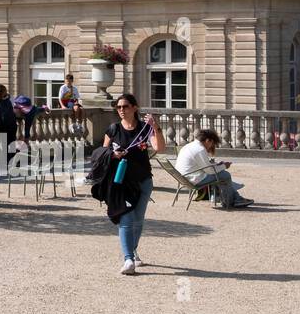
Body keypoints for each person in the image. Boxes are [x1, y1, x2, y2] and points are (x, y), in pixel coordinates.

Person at [102, 92, 165, 276]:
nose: (121, 110)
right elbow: (102, 154)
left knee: (138, 220)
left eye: (125, 106)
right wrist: (113, 155)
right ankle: (128, 259)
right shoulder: (113, 129)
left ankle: (133, 250)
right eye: (119, 107)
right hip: (121, 182)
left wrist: (156, 128)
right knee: (126, 220)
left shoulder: (145, 128)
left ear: (134, 108)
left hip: (143, 180)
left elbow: (159, 148)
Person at [175, 130, 252, 208]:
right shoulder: (200, 149)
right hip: (194, 179)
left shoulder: (189, 146)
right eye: (212, 143)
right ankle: (230, 201)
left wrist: (217, 165)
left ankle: (234, 198)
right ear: (208, 140)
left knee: (219, 174)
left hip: (184, 177)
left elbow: (203, 166)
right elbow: (210, 171)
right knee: (225, 175)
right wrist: (224, 166)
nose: (211, 146)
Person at [0, 84, 17, 160]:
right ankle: (12, 161)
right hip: (11, 125)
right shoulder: (11, 99)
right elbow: (15, 111)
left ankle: (4, 162)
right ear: (5, 91)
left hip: (1, 125)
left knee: (3, 144)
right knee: (11, 143)